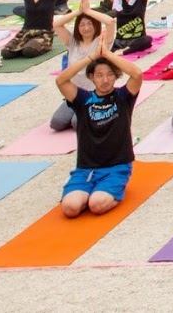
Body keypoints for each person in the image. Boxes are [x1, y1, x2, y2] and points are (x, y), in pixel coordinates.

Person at [55, 41, 144, 217]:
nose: (105, 80)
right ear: (91, 77)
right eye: (100, 75)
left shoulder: (123, 97)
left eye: (110, 74)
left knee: (96, 205)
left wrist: (108, 55)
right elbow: (61, 80)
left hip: (116, 167)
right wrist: (91, 57)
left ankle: (113, 189)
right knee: (70, 209)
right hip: (86, 168)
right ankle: (87, 192)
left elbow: (137, 74)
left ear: (116, 76)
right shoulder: (83, 99)